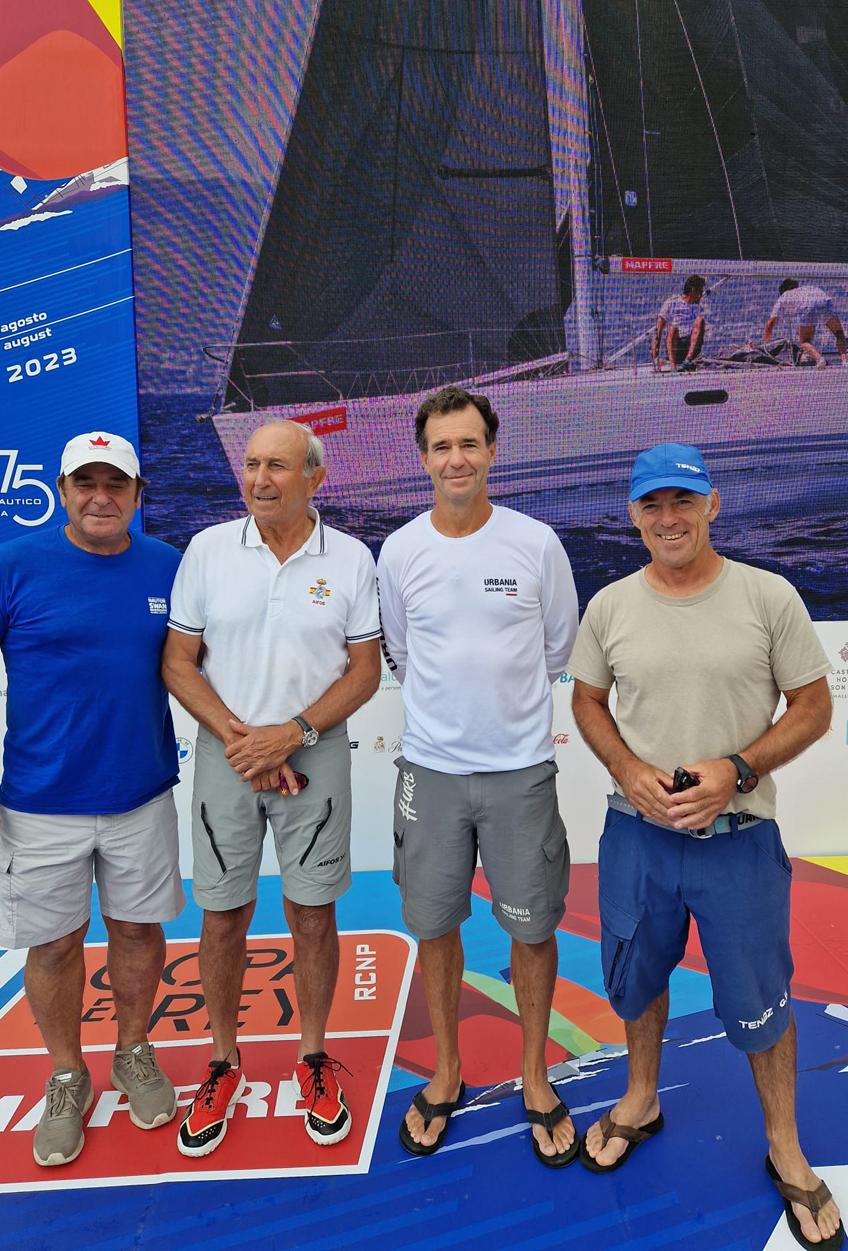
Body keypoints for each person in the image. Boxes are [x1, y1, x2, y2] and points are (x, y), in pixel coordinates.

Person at [568, 442, 843, 1248]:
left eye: (682, 501)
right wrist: (624, 765)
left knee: (762, 1000)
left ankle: (784, 1145)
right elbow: (586, 700)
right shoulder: (611, 605)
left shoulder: (768, 596)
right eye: (651, 504)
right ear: (633, 515)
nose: (668, 518)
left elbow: (816, 704)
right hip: (637, 836)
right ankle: (640, 1098)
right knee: (638, 976)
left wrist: (739, 766)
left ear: (713, 504)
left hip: (741, 840)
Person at [0, 432, 184, 1167]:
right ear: (61, 488)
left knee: (139, 934)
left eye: (117, 483)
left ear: (139, 495)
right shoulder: (11, 566)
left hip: (142, 796)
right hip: (40, 803)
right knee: (53, 945)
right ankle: (68, 1072)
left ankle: (134, 1051)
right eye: (87, 482)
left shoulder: (170, 566)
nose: (101, 496)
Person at [162, 419, 381, 1158]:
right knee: (222, 917)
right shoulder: (207, 550)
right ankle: (223, 1062)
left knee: (312, 914)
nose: (259, 478)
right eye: (252, 463)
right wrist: (242, 739)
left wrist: (290, 735)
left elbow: (364, 672)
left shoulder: (350, 558)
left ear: (315, 477)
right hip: (228, 755)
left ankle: (313, 1057)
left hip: (314, 755)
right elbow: (179, 662)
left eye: (277, 466)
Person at [377, 385, 580, 1167]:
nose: (456, 458)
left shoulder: (535, 544)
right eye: (441, 446)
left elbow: (557, 647)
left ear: (492, 451)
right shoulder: (399, 550)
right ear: (423, 457)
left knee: (531, 929)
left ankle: (534, 1074)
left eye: (469, 443)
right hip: (429, 772)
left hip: (520, 772)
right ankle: (449, 1071)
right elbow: (399, 648)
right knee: (434, 925)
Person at [763, 279, 848, 367]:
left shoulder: (784, 296)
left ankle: (819, 359)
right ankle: (845, 361)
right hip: (823, 300)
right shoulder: (807, 289)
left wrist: (766, 341)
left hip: (807, 306)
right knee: (839, 333)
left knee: (805, 341)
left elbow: (771, 323)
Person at [653, 275, 707, 371]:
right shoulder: (672, 303)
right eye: (700, 292)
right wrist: (655, 358)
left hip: (692, 345)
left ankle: (688, 360)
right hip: (675, 346)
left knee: (700, 320)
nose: (701, 295)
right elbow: (658, 331)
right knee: (673, 329)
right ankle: (673, 366)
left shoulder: (699, 306)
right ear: (693, 290)